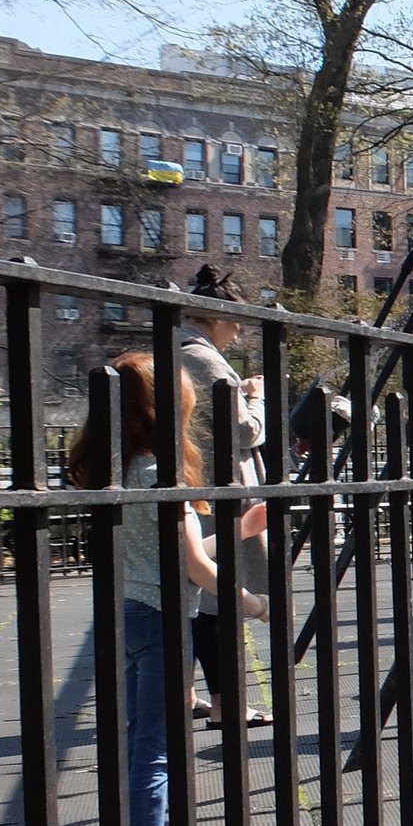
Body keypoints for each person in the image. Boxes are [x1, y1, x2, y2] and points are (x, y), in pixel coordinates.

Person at [68, 351, 267, 826]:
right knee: (156, 749)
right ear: (163, 407)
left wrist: (234, 527)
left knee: (142, 740)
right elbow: (194, 571)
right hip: (160, 618)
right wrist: (253, 604)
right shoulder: (160, 472)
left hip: (131, 612)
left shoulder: (119, 470)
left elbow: (171, 554)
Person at [178, 265, 268, 726]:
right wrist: (255, 396)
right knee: (216, 598)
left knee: (191, 598)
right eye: (235, 324)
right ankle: (225, 704)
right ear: (215, 317)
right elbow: (244, 432)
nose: (236, 334)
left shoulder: (171, 350)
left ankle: (190, 693)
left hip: (192, 484)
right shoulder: (209, 361)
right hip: (216, 490)